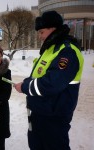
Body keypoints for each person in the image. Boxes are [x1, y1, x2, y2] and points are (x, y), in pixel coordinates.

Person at [14, 11, 84, 150]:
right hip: (39, 114)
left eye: (41, 32)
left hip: (54, 118)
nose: (40, 37)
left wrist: (25, 87)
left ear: (53, 28)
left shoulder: (67, 51)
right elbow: (39, 76)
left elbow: (51, 83)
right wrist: (27, 82)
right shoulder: (49, 50)